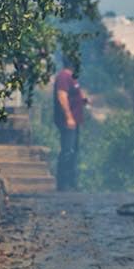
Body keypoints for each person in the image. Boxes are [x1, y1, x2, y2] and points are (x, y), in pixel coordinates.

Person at [53, 60, 86, 191]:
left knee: (73, 151)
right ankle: (63, 184)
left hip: (75, 121)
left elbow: (76, 93)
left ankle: (72, 182)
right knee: (68, 150)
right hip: (68, 121)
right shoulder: (63, 76)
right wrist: (69, 116)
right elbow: (62, 96)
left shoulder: (72, 77)